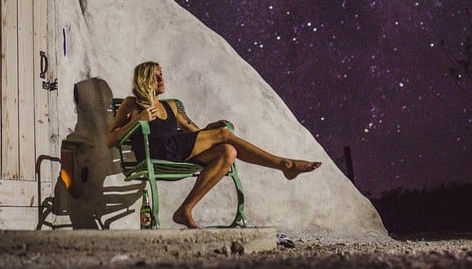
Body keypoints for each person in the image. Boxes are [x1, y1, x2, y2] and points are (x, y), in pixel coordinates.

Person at [106, 61, 321, 229]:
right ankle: (284, 164)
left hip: (178, 151)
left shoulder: (171, 106)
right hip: (155, 152)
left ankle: (185, 210)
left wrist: (209, 128)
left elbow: (195, 133)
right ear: (144, 79)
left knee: (228, 151)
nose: (162, 78)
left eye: (163, 73)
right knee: (223, 135)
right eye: (156, 75)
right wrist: (137, 120)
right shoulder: (132, 104)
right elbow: (110, 140)